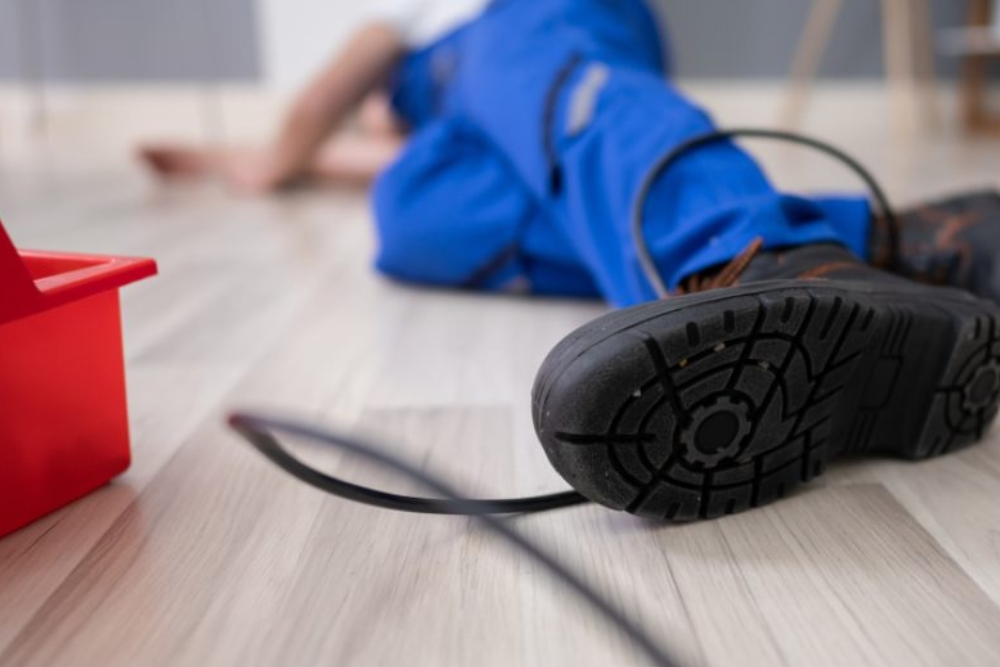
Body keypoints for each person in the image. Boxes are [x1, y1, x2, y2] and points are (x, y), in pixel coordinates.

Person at [143, 0, 1000, 520]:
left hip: (544, 17)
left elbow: (325, 98)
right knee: (408, 218)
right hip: (499, 101)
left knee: (536, 76)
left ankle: (770, 257)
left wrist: (268, 157)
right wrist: (262, 160)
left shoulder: (426, 26)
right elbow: (382, 161)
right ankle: (900, 243)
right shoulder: (442, 126)